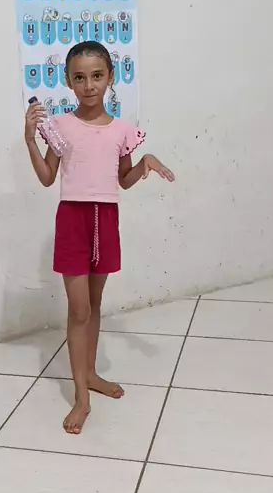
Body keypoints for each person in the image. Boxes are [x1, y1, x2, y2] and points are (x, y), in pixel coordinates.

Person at [24, 41, 175, 434]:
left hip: (105, 220)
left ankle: (90, 374)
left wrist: (144, 163)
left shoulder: (123, 130)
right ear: (68, 81)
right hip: (72, 220)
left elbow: (123, 180)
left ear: (111, 77)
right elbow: (47, 178)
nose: (88, 85)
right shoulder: (59, 127)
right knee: (79, 311)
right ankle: (81, 397)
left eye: (96, 76)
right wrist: (30, 140)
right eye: (79, 77)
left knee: (94, 305)